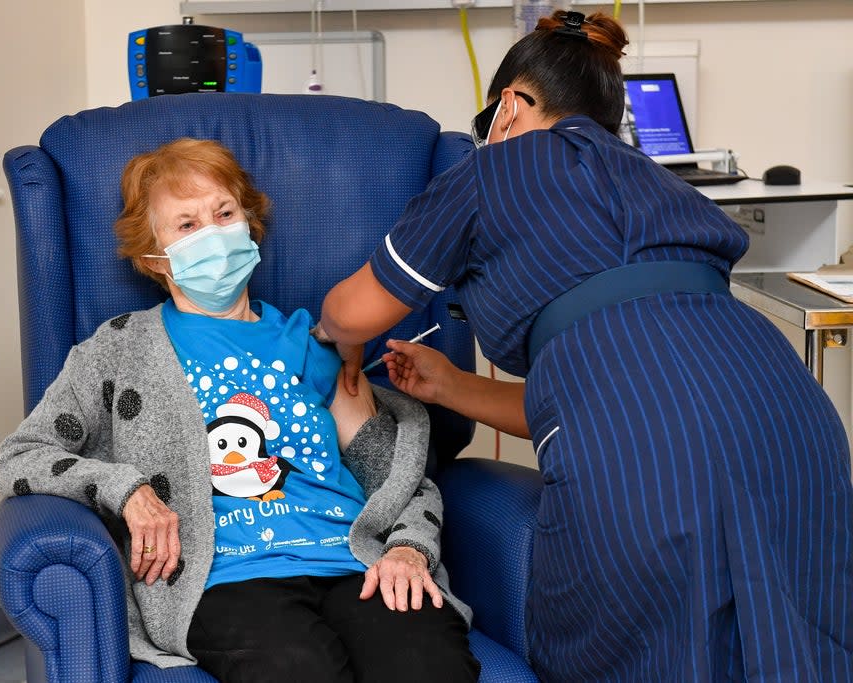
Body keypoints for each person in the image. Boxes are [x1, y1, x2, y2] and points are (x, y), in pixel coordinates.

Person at [317, 10, 853, 682]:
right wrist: (452, 386)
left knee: (642, 652)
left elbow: (353, 310)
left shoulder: (493, 172)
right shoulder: (657, 180)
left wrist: (326, 337)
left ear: (509, 105)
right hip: (791, 423)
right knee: (796, 647)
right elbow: (591, 394)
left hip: (648, 457)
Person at [0, 138, 480, 683]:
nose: (214, 234)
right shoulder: (119, 351)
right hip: (225, 578)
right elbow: (21, 457)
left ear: (249, 223)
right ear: (154, 256)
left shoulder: (314, 344)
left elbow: (395, 476)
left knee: (429, 666)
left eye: (224, 214)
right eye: (186, 225)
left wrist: (409, 549)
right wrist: (126, 490)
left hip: (351, 559)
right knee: (300, 672)